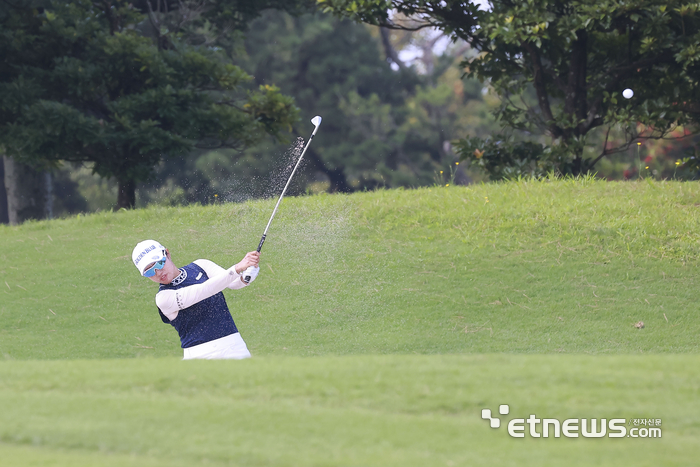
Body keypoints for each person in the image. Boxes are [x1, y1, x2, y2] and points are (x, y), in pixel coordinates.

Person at [131, 239, 260, 360]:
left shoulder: (200, 266)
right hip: (199, 357)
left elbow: (234, 283)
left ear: (168, 254)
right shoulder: (163, 299)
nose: (158, 272)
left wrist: (249, 272)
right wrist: (237, 268)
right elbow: (204, 290)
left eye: (159, 263)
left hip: (235, 348)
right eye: (149, 272)